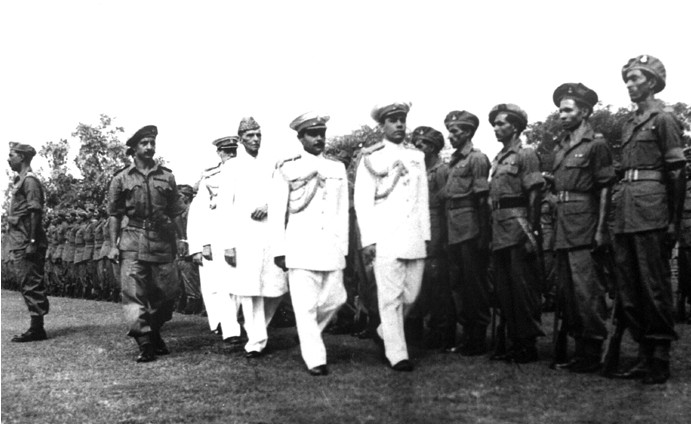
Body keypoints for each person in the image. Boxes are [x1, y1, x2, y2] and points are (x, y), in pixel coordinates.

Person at [610, 55, 686, 384]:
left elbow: (677, 172)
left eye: (636, 78)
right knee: (629, 289)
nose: (629, 84)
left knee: (654, 287)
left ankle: (660, 356)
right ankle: (643, 352)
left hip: (653, 211)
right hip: (626, 212)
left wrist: (673, 221)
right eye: (627, 79)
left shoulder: (664, 119)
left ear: (652, 83)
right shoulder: (628, 124)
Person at [354, 102, 431, 371]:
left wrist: (426, 235)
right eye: (393, 120)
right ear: (382, 125)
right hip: (385, 236)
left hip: (413, 236)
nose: (399, 124)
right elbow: (362, 203)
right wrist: (368, 240)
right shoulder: (371, 157)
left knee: (411, 295)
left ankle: (385, 331)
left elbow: (422, 199)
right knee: (390, 296)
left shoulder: (416, 157)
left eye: (402, 119)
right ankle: (397, 353)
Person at [271, 112, 348, 376]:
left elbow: (341, 212)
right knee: (304, 305)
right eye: (313, 134)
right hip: (300, 245)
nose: (319, 138)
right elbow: (277, 211)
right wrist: (279, 250)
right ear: (300, 137)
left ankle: (308, 333)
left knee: (336, 299)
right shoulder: (288, 167)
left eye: (321, 134)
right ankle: (315, 357)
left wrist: (344, 247)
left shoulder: (337, 168)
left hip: (331, 246)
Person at [107, 125, 188, 362]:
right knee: (133, 294)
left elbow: (176, 211)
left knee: (169, 293)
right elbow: (114, 214)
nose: (150, 147)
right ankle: (145, 342)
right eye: (145, 143)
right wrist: (113, 245)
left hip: (162, 242)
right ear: (133, 149)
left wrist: (181, 238)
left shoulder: (167, 176)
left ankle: (153, 330)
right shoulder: (121, 179)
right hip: (132, 241)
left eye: (152, 143)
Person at [550, 83, 616, 373]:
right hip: (563, 226)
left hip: (585, 225)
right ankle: (580, 350)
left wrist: (601, 229)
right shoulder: (561, 146)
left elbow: (605, 188)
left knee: (587, 291)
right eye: (560, 110)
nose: (562, 115)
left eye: (568, 110)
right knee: (567, 293)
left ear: (585, 111)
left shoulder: (596, 144)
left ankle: (593, 349)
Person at [219, 117, 288, 358]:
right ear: (240, 139)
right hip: (244, 235)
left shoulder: (272, 164)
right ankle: (257, 340)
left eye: (258, 135)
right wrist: (228, 245)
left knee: (275, 286)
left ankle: (257, 329)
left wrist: (269, 205)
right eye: (250, 136)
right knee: (248, 289)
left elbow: (282, 194)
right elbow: (225, 207)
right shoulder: (231, 167)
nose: (255, 139)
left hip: (270, 232)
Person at [487, 104, 545, 363]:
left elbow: (534, 193)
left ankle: (527, 343)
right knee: (504, 289)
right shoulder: (498, 158)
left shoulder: (526, 154)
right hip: (499, 227)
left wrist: (532, 231)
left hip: (519, 224)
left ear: (516, 127)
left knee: (522, 288)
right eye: (495, 124)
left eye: (501, 124)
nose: (497, 128)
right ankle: (512, 340)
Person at [439, 111, 492, 356]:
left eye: (456, 131)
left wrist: (483, 234)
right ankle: (467, 334)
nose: (451, 136)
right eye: (450, 131)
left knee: (474, 286)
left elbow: (482, 199)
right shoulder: (453, 162)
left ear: (468, 133)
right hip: (454, 229)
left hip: (470, 229)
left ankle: (478, 337)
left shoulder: (477, 159)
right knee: (459, 285)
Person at [188, 137, 243, 341]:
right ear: (219, 153)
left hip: (241, 235)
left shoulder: (247, 171)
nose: (230, 156)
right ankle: (227, 326)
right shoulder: (210, 177)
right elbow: (197, 213)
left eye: (233, 151)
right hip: (215, 237)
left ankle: (229, 322)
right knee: (217, 285)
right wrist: (199, 246)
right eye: (226, 152)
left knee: (236, 284)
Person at [405, 125, 454, 350]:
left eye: (422, 144)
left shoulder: (442, 171)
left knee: (437, 283)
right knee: (415, 280)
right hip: (416, 229)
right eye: (415, 144)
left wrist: (443, 237)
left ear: (433, 147)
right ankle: (414, 328)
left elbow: (446, 206)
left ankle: (441, 331)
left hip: (436, 228)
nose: (417, 147)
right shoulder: (414, 170)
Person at [7, 142, 50, 342]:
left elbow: (35, 212)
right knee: (26, 282)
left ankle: (37, 328)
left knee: (31, 282)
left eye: (12, 155)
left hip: (27, 241)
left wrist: (32, 241)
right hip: (20, 240)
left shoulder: (30, 181)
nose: (8, 159)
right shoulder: (21, 180)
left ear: (22, 157)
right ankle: (36, 326)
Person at [176, 184, 203, 314]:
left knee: (191, 275)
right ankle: (187, 302)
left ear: (187, 197)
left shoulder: (193, 211)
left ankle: (195, 302)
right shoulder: (180, 212)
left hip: (191, 248)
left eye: (180, 196)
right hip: (182, 249)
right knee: (184, 276)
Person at [677, 147, 691, 323]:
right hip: (684, 235)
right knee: (684, 273)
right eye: (687, 162)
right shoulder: (679, 185)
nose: (688, 165)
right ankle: (680, 308)